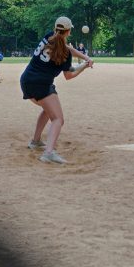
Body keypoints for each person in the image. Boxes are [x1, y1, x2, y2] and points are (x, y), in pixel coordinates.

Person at [20, 16, 93, 164]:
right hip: (41, 85)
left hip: (26, 80)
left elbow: (68, 48)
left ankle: (35, 142)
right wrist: (85, 65)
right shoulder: (64, 54)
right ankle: (48, 153)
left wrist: (85, 57)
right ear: (68, 31)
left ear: (55, 28)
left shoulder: (48, 36)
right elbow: (69, 75)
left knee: (48, 110)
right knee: (58, 118)